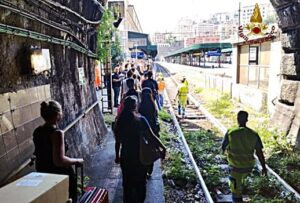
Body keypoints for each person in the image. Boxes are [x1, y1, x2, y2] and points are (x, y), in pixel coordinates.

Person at [114, 96, 165, 203]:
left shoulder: (119, 121)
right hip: (140, 157)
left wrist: (117, 156)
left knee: (127, 184)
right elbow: (151, 136)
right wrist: (162, 147)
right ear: (135, 106)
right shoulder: (141, 120)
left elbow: (118, 141)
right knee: (140, 184)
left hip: (126, 157)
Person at [33, 101, 84, 203]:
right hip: (59, 176)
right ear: (57, 115)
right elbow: (59, 160)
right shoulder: (57, 133)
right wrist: (77, 160)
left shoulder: (37, 131)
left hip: (43, 173)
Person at [221, 111, 267, 203]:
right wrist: (264, 167)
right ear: (247, 120)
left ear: (237, 119)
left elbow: (222, 148)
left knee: (235, 188)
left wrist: (225, 153)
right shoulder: (254, 134)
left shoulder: (231, 132)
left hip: (235, 167)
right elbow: (259, 152)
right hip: (249, 167)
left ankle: (237, 199)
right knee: (246, 185)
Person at [138, 88, 160, 178]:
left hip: (142, 133)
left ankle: (143, 169)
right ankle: (149, 171)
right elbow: (156, 118)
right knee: (151, 150)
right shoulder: (153, 106)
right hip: (152, 132)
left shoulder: (140, 106)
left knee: (142, 151)